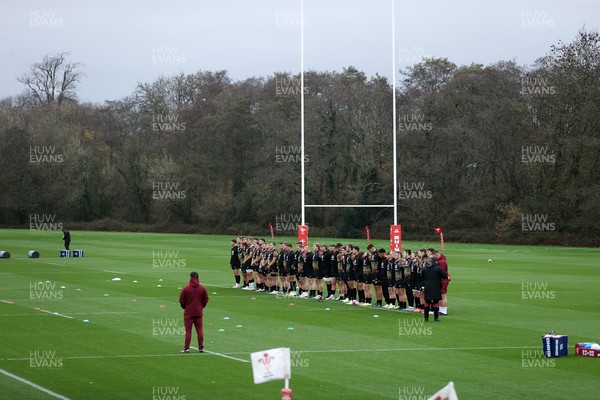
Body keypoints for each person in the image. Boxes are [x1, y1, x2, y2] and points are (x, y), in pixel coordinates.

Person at [179, 271, 209, 352]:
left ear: (190, 278)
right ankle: (201, 347)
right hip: (198, 312)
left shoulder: (186, 288)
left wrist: (185, 307)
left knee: (188, 331)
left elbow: (181, 300)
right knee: (199, 330)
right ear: (198, 278)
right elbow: (206, 299)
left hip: (188, 312)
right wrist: (201, 306)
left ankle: (186, 348)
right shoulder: (202, 288)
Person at [421, 256, 448, 322]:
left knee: (427, 303)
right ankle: (436, 318)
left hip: (427, 288)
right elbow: (445, 276)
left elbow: (422, 277)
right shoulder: (438, 268)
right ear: (436, 261)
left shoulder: (425, 269)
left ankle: (426, 318)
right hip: (436, 287)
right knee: (435, 303)